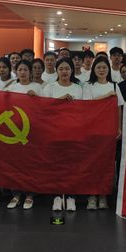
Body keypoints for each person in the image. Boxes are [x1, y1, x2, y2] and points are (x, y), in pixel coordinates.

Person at [42, 58, 84, 212]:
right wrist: (59, 100)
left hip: (74, 132)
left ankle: (71, 196)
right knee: (56, 165)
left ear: (72, 70)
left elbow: (85, 109)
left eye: (67, 68)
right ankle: (57, 196)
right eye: (61, 69)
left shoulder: (78, 88)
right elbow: (43, 108)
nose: (64, 71)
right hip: (54, 132)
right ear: (57, 71)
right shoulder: (50, 87)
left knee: (72, 165)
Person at [83, 57, 124, 210]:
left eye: (104, 67)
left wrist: (119, 127)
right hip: (92, 129)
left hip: (109, 130)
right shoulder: (88, 86)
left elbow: (119, 108)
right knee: (92, 163)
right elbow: (88, 104)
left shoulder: (114, 85)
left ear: (108, 69)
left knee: (106, 164)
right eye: (98, 67)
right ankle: (91, 195)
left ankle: (103, 195)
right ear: (94, 69)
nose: (101, 70)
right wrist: (106, 96)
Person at [5, 60, 43, 210]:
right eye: (20, 69)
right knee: (15, 163)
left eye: (25, 70)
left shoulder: (38, 87)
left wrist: (36, 98)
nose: (22, 72)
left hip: (32, 130)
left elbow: (45, 107)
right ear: (16, 71)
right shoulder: (11, 88)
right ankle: (15, 194)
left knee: (30, 163)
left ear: (30, 72)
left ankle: (29, 194)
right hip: (15, 129)